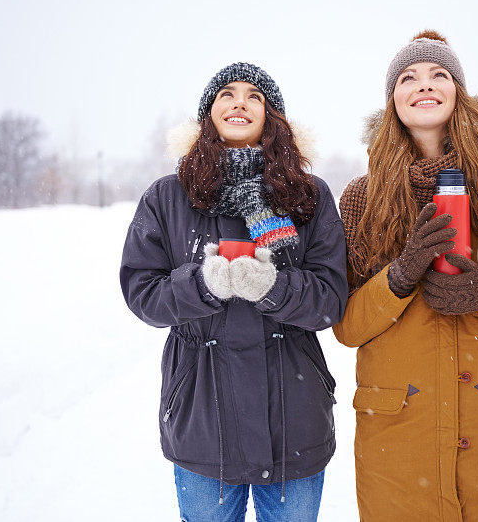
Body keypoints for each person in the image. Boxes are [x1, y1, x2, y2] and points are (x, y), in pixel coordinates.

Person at [333, 31, 478, 521]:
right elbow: (347, 326)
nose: (425, 84)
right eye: (408, 76)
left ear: (459, 91)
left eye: (439, 74)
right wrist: (398, 277)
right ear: (392, 99)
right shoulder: (362, 197)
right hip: (400, 439)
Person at [120, 62, 347, 522]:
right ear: (209, 113)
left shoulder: (309, 195)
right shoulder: (167, 197)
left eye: (254, 96)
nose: (240, 102)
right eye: (227, 93)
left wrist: (273, 287)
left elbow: (330, 299)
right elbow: (142, 292)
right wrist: (201, 286)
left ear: (272, 118)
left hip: (294, 422)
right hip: (204, 421)